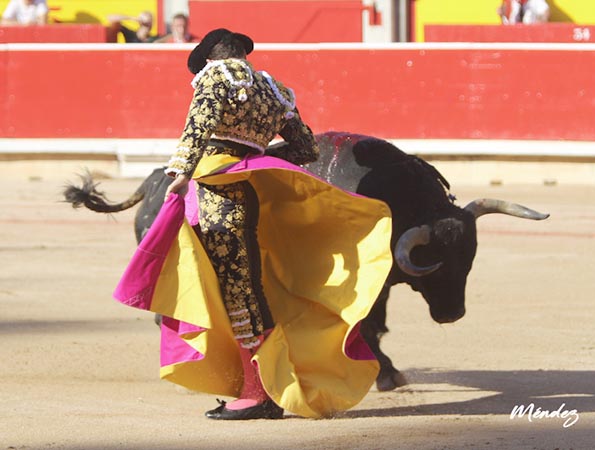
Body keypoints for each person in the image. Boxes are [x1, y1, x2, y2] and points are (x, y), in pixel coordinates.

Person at [113, 28, 392, 420]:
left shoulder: (216, 77)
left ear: (211, 57)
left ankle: (256, 393)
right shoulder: (275, 90)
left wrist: (181, 171)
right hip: (251, 195)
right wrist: (251, 157)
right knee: (249, 289)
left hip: (214, 198)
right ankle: (260, 386)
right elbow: (305, 148)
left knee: (235, 294)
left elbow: (198, 126)